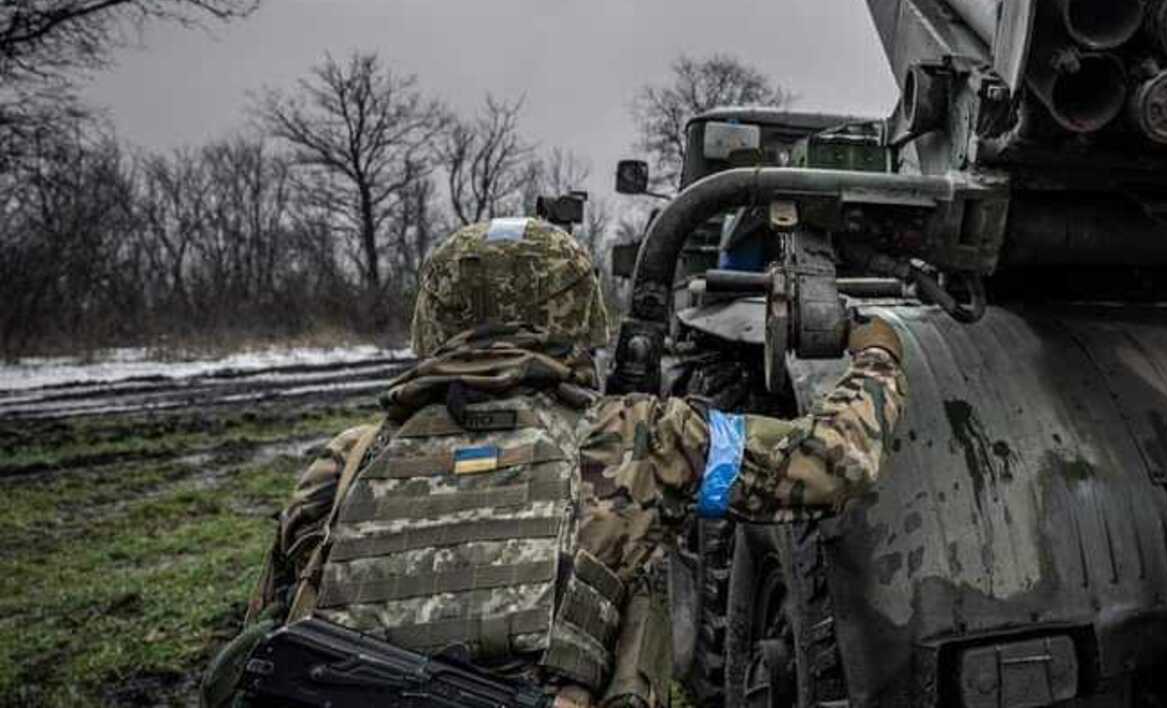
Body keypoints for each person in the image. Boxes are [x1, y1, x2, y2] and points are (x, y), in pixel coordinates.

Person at [204, 216, 907, 708]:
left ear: (436, 319)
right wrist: (877, 354)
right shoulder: (640, 440)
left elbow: (253, 653)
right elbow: (834, 462)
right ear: (575, 319)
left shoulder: (344, 463)